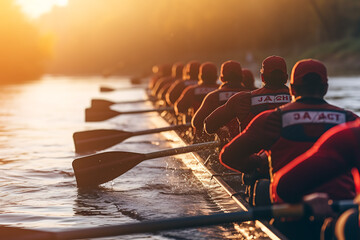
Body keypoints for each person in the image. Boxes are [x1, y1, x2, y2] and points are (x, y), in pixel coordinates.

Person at [219, 59, 358, 204]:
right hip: (342, 209)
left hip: (288, 213)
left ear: (292, 89)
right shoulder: (351, 119)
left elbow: (228, 156)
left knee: (260, 185)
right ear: (325, 89)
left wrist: (259, 163)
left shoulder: (272, 120)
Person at [271, 118, 360, 240]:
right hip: (345, 199)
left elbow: (284, 187)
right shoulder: (349, 116)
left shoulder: (353, 135)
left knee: (348, 223)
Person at [204, 56, 290, 136]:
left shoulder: (242, 99)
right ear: (286, 78)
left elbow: (208, 127)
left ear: (262, 78)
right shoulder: (299, 99)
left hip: (252, 150)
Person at [191, 60, 247, 140]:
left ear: (221, 78)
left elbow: (196, 122)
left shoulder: (213, 96)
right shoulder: (253, 93)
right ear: (242, 77)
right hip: (248, 141)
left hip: (225, 144)